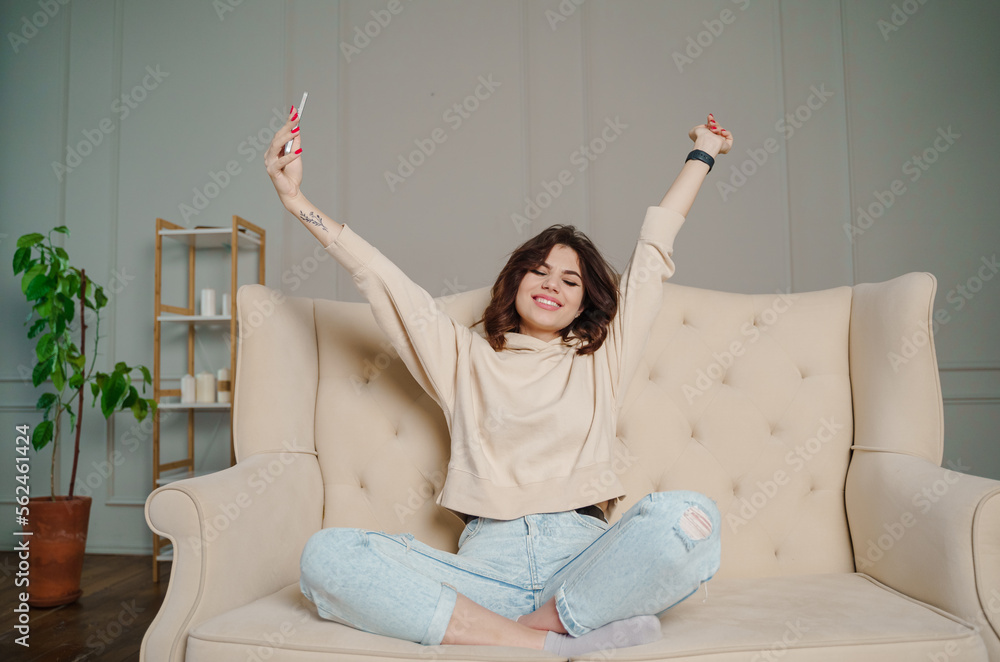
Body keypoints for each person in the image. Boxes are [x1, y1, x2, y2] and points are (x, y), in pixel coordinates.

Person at [264, 105, 733, 656]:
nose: (551, 284)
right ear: (516, 279)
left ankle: (539, 626)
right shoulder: (462, 356)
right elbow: (380, 278)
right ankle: (549, 642)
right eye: (539, 270)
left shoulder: (603, 357)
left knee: (690, 518)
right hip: (485, 572)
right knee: (327, 556)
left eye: (570, 279)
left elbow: (653, 255)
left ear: (587, 302)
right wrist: (295, 201)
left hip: (585, 561)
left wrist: (703, 152)